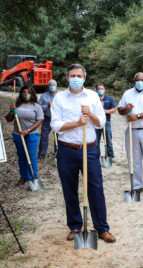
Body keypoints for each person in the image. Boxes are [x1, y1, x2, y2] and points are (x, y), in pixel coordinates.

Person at [50, 63, 115, 243]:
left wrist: (90, 115)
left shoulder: (93, 96)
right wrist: (78, 123)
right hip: (67, 150)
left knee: (95, 187)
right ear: (67, 78)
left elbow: (101, 122)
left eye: (79, 76)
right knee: (69, 189)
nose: (76, 79)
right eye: (72, 75)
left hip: (90, 149)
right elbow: (55, 125)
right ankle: (75, 226)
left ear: (84, 78)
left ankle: (102, 228)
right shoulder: (60, 98)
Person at [5, 85, 44, 185]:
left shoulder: (36, 106)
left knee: (31, 156)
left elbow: (40, 120)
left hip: (31, 135)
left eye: (28, 92)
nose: (26, 94)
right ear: (21, 93)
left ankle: (33, 177)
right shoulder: (16, 105)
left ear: (32, 94)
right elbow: (8, 119)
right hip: (18, 135)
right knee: (22, 156)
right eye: (24, 92)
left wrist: (28, 130)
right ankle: (24, 177)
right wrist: (11, 110)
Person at [95, 83, 116, 159]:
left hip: (106, 122)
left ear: (105, 90)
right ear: (96, 90)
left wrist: (105, 111)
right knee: (96, 141)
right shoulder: (94, 99)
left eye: (102, 89)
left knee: (108, 140)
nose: (100, 90)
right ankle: (96, 156)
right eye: (99, 89)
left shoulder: (109, 99)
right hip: (96, 123)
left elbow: (114, 110)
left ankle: (110, 156)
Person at [38, 79, 57, 159]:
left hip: (58, 119)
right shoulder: (44, 96)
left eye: (54, 85)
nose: (52, 87)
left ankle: (57, 154)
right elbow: (39, 108)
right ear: (48, 86)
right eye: (51, 85)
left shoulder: (61, 95)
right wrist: (47, 106)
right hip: (47, 118)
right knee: (44, 136)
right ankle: (42, 154)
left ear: (56, 86)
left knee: (58, 137)